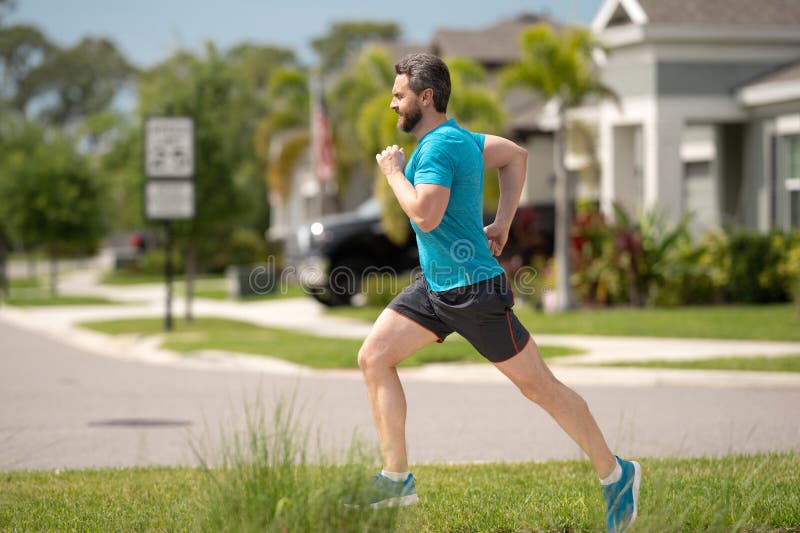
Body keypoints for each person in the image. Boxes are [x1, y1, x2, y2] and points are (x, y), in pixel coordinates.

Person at [355, 52, 641, 532]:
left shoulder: (440, 149)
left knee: (540, 388)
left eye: (399, 95)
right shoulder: (462, 140)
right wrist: (503, 222)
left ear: (425, 97)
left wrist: (393, 174)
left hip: (472, 292)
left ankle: (617, 475)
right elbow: (515, 155)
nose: (392, 104)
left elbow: (424, 214)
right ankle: (396, 478)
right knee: (374, 357)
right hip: (436, 289)